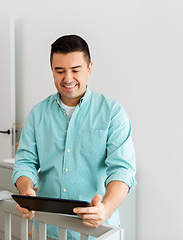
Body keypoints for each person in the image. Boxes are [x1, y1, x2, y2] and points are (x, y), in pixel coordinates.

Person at [12, 35, 136, 240]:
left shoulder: (113, 113)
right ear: (51, 70)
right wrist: (26, 193)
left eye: (75, 70)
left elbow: (122, 170)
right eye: (59, 71)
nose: (68, 79)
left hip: (97, 230)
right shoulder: (37, 114)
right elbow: (25, 163)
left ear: (89, 68)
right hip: (48, 229)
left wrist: (105, 209)